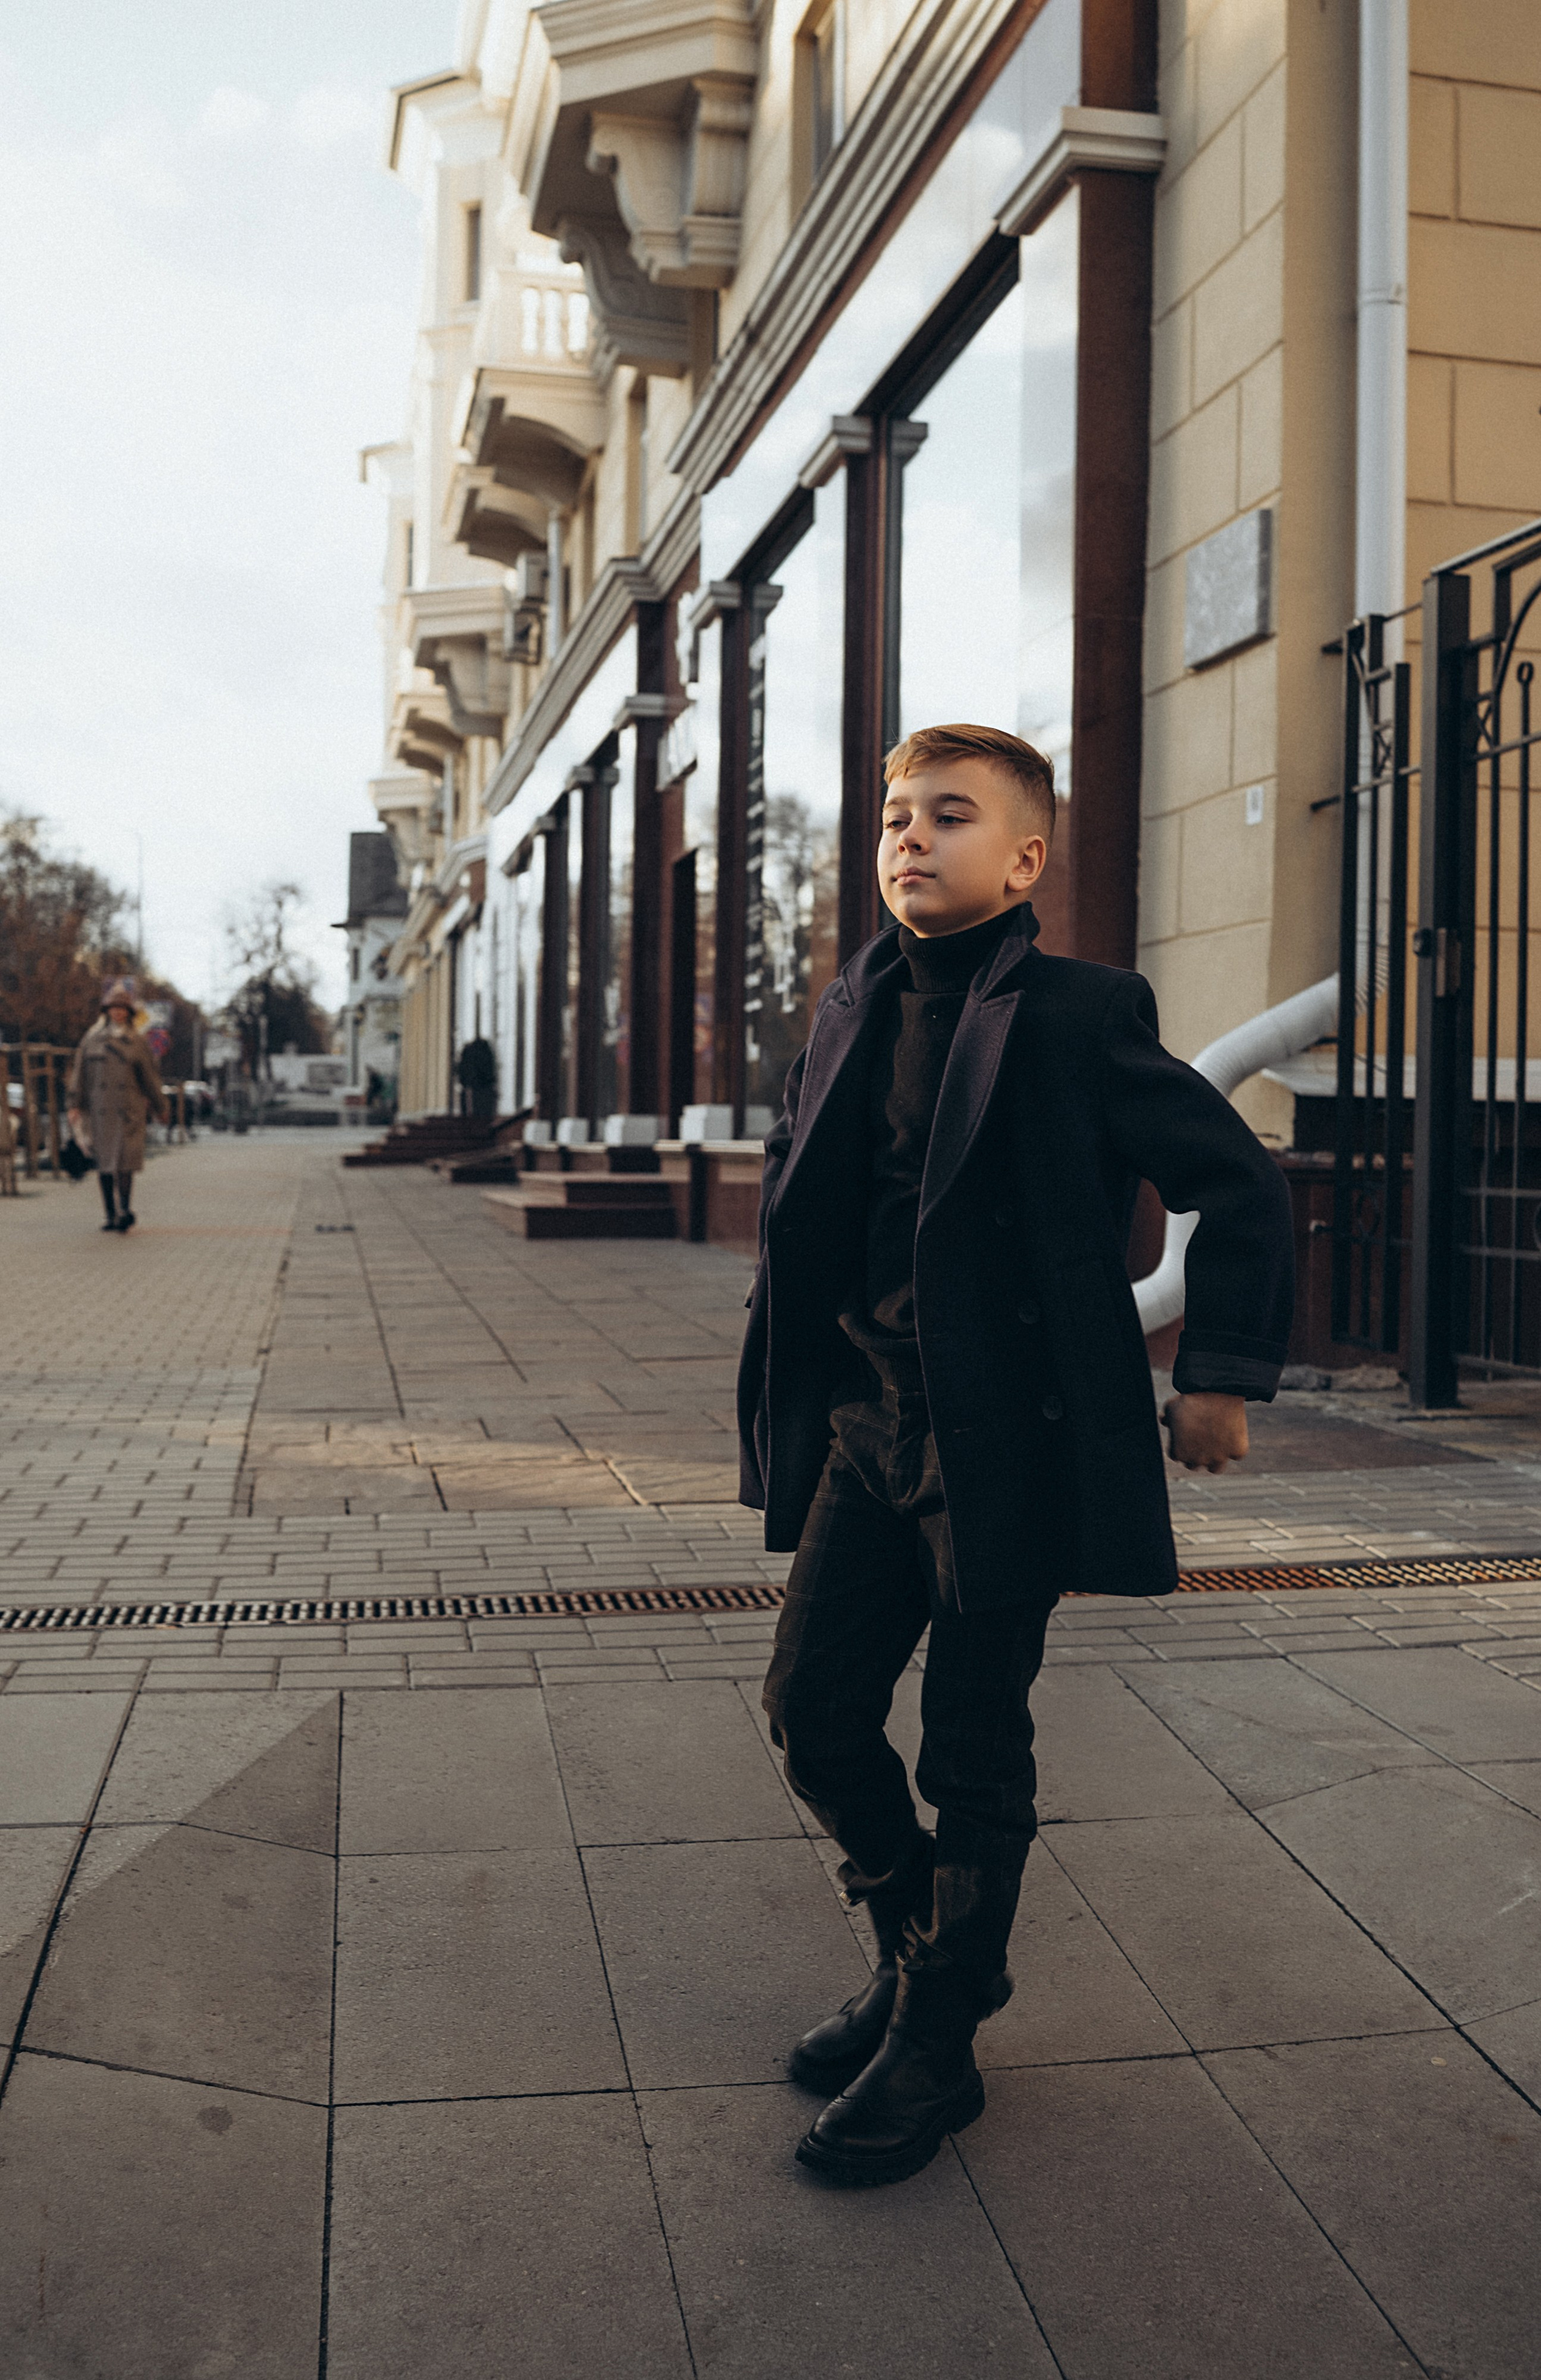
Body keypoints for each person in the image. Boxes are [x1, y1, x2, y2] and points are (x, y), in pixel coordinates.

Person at [739, 722, 1294, 2188]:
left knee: (973, 1750)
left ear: (1025, 858)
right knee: (809, 1709)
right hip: (873, 1432)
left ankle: (931, 2045)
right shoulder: (848, 1006)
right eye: (893, 817)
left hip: (1014, 1444)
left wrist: (1219, 1378)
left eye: (949, 815)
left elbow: (1238, 1186)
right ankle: (927, 1956)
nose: (909, 837)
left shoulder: (1075, 1015)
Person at [67, 978, 168, 1234]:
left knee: (124, 1164)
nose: (118, 1013)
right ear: (106, 1011)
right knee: (105, 1164)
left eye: (123, 1009)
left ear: (130, 1013)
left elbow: (150, 1078)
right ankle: (110, 1214)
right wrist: (75, 1104)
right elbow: (80, 1074)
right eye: (114, 1008)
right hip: (100, 1112)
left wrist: (160, 1106)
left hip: (128, 1111)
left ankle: (125, 1210)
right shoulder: (91, 1038)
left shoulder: (137, 1042)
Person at [456, 1034, 497, 1124]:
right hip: (479, 1086)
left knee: (478, 1117)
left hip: (481, 1086)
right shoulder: (484, 1051)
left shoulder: (471, 1051)